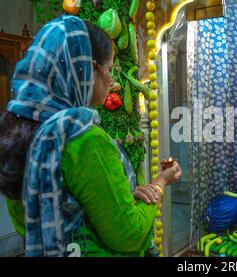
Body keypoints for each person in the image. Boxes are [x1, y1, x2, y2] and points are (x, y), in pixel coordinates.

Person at [0, 15, 181, 257]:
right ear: (89, 71)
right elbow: (130, 235)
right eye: (108, 69)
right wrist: (160, 183)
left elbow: (28, 224)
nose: (112, 80)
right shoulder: (83, 140)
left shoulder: (16, 132)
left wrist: (125, 198)